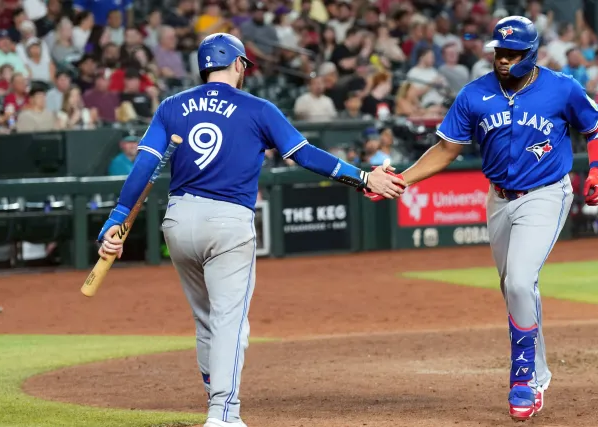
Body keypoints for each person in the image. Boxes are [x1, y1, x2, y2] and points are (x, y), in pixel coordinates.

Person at [95, 33, 405, 427]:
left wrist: (117, 218)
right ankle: (222, 414)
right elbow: (303, 155)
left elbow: (144, 166)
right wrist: (363, 178)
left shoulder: (172, 106)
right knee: (229, 321)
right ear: (239, 65)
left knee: (207, 319)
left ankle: (215, 396)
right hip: (227, 223)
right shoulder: (258, 108)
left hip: (178, 221)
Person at [365, 17, 598, 421]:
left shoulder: (561, 87)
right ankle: (540, 371)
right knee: (515, 288)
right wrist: (401, 181)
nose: (502, 60)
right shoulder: (474, 94)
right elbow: (446, 150)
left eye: (511, 53)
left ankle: (522, 381)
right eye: (498, 52)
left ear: (530, 54)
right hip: (498, 199)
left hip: (546, 194)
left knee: (519, 280)